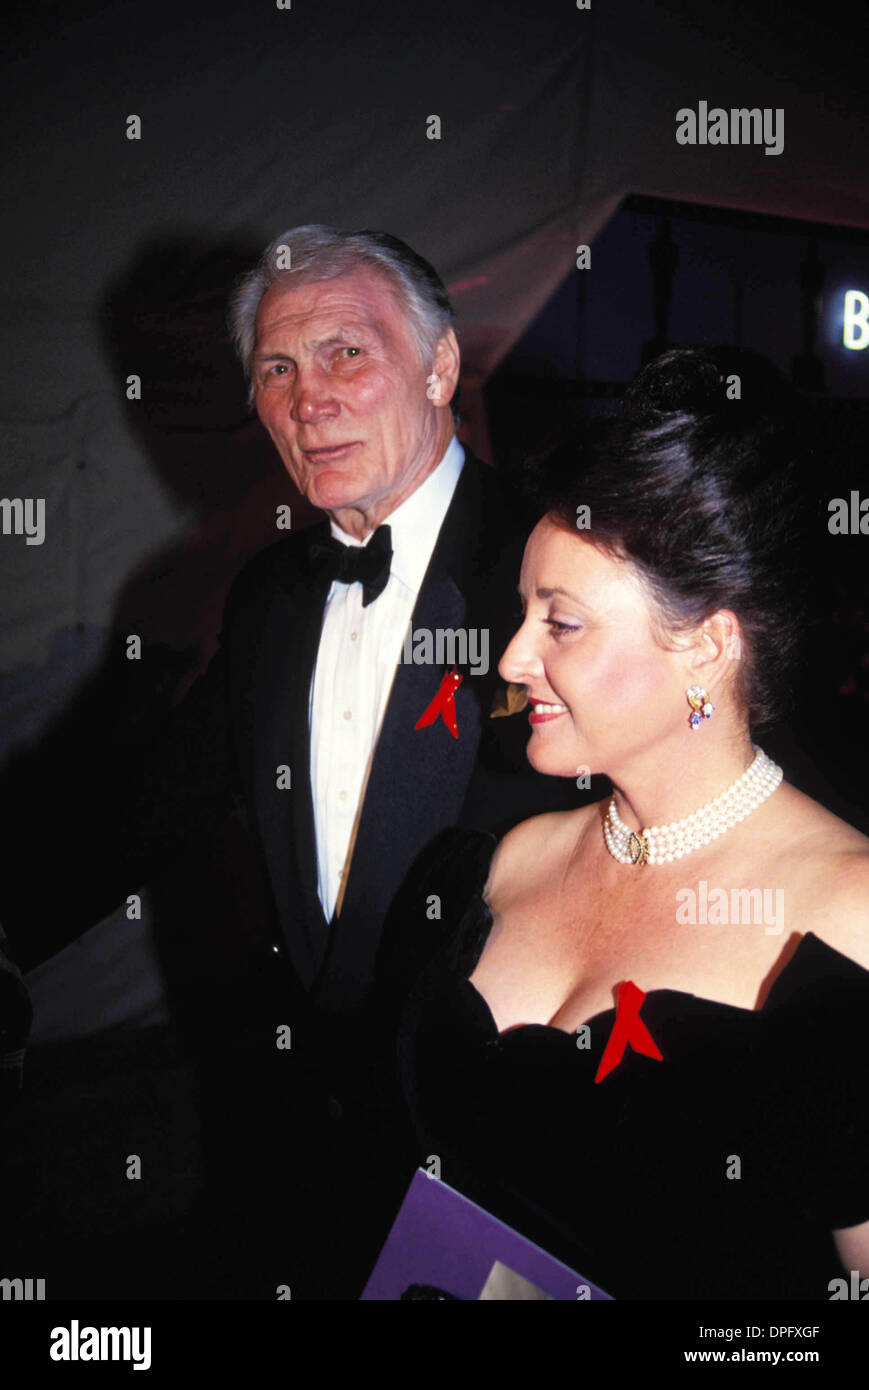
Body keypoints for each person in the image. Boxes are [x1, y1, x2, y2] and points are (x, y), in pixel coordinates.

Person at [0, 226, 580, 1299]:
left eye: (345, 353)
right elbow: (155, 801)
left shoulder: (566, 571)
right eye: (277, 366)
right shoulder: (271, 594)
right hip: (307, 1143)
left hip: (518, 1157)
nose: (308, 398)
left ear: (439, 366)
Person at [381, 348, 869, 1300]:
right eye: (521, 612)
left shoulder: (849, 916)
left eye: (559, 624)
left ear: (705, 648)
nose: (513, 658)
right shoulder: (503, 862)